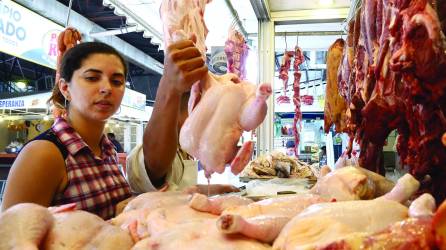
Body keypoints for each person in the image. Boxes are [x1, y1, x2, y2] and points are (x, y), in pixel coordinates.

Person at [1, 42, 131, 219]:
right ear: (65, 88)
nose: (107, 88)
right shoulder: (43, 154)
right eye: (92, 78)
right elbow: (13, 238)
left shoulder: (108, 150)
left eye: (116, 81)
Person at [126, 37, 239, 195]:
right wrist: (170, 85)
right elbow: (155, 166)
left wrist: (222, 189)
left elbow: (182, 191)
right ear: (190, 107)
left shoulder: (185, 151)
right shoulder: (147, 154)